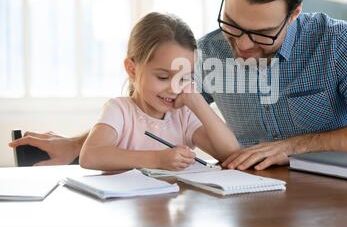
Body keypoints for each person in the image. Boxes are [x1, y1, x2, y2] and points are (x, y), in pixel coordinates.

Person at [9, 0, 347, 170]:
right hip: (244, 198)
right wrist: (80, 144)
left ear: (295, 14)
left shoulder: (340, 44)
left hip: (331, 199)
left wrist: (291, 146)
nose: (242, 46)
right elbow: (155, 103)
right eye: (233, 25)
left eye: (262, 34)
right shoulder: (210, 51)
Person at [83, 12, 239, 171]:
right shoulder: (119, 110)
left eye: (183, 79)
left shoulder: (183, 115)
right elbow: (90, 156)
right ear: (132, 70)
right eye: (163, 77)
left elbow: (232, 155)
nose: (174, 88)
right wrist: (157, 159)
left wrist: (197, 102)